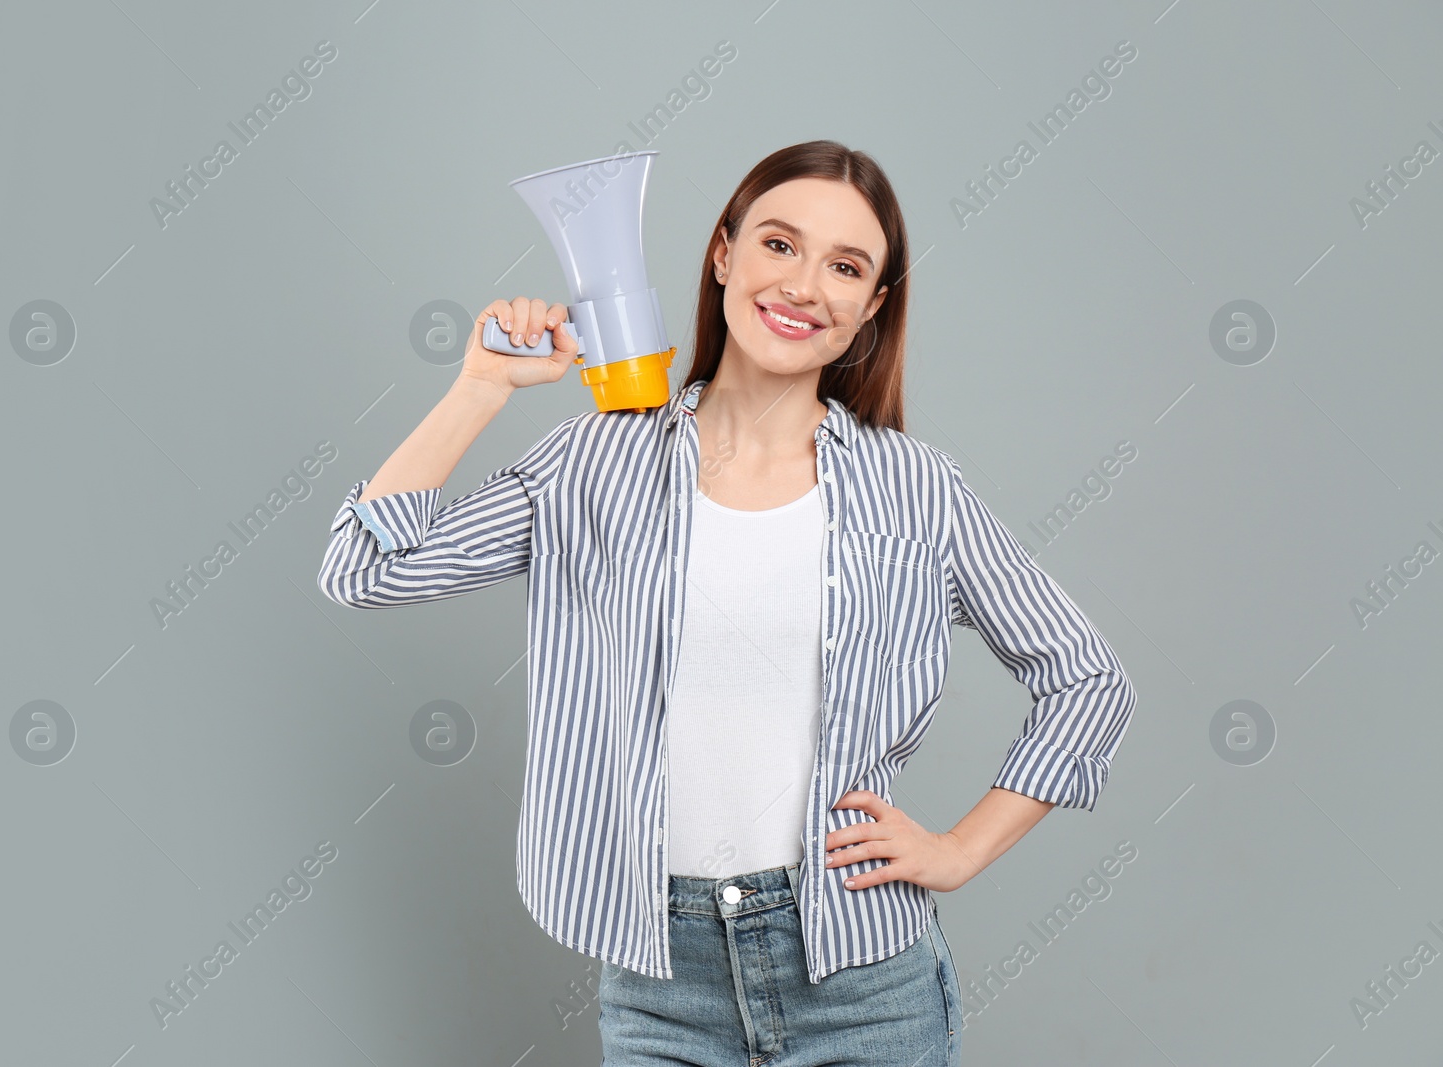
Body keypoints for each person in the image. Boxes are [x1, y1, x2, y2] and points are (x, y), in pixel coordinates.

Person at [319, 140, 1137, 1067]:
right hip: (662, 979)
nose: (803, 285)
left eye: (845, 266)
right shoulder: (600, 465)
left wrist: (958, 850)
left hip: (862, 980)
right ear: (723, 255)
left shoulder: (916, 489)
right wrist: (480, 388)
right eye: (780, 245)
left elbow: (1086, 677)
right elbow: (364, 566)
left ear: (871, 308)